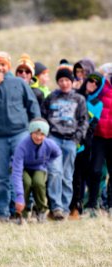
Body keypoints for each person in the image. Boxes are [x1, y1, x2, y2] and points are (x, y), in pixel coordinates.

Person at [0, 51, 40, 222]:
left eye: (3, 65)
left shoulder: (19, 83)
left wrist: (36, 128)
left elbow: (32, 105)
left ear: (9, 66)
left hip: (19, 134)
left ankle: (20, 211)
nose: (0, 68)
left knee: (20, 173)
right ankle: (0, 213)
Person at [41, 67, 89, 220]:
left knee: (67, 176)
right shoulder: (51, 98)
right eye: (61, 80)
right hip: (53, 139)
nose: (64, 83)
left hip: (70, 141)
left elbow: (84, 121)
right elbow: (43, 117)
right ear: (58, 82)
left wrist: (77, 138)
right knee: (55, 172)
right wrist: (47, 137)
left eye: (67, 80)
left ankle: (66, 208)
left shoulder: (79, 99)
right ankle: (56, 208)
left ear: (72, 81)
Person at [69, 72, 104, 219]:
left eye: (97, 83)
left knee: (81, 176)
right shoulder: (76, 96)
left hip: (84, 144)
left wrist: (81, 141)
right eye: (91, 81)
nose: (93, 84)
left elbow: (92, 126)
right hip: (69, 139)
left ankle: (79, 206)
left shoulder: (97, 103)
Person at [12, 118, 62, 223]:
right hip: (23, 168)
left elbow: (58, 152)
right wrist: (19, 196)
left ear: (46, 135)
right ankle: (22, 214)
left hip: (39, 168)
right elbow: (17, 171)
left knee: (38, 183)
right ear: (31, 132)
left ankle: (41, 211)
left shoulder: (49, 144)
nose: (39, 137)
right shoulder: (22, 146)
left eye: (42, 134)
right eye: (36, 133)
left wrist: (46, 162)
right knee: (26, 182)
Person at [86, 67, 112, 218]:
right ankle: (91, 205)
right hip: (99, 137)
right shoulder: (102, 86)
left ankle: (110, 205)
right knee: (95, 171)